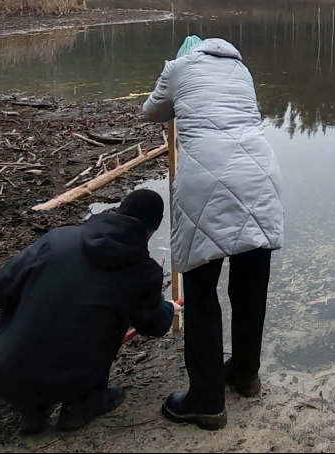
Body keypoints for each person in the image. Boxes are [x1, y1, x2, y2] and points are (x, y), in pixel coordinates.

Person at [142, 37, 285, 431]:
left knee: (202, 292)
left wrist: (169, 85)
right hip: (260, 176)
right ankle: (245, 373)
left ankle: (205, 401)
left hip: (206, 180)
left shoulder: (178, 67)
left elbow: (151, 111)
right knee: (250, 286)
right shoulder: (243, 70)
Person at [0, 189, 177, 435]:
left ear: (118, 212)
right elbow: (155, 325)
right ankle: (83, 402)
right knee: (113, 312)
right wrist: (169, 308)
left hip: (4, 375)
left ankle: (32, 407)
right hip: (73, 380)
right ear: (152, 230)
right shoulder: (143, 272)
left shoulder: (58, 239)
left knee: (20, 291)